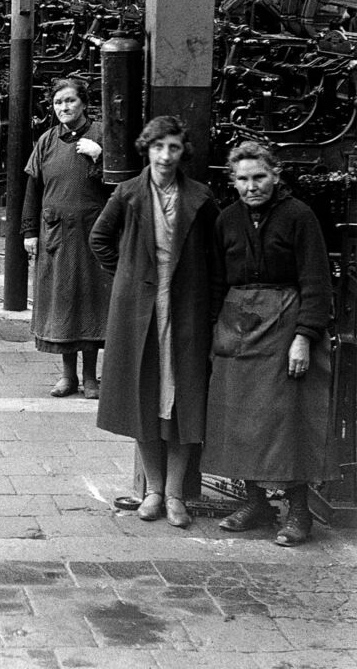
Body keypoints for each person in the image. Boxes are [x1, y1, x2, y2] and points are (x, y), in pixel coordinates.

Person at [202, 142, 338, 546]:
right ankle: (256, 502)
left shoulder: (299, 216)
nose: (251, 186)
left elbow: (316, 281)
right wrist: (213, 331)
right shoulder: (226, 220)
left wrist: (304, 338)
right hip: (236, 326)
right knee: (241, 418)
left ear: (276, 175)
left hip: (285, 325)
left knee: (284, 420)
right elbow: (214, 281)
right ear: (234, 182)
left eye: (259, 177)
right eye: (242, 179)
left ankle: (298, 513)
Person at [90, 115, 219, 529]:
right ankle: (154, 490)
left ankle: (178, 494)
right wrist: (128, 277)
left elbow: (216, 260)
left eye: (174, 148)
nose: (165, 156)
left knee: (182, 397)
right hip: (141, 310)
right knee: (145, 395)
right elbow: (100, 239)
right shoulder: (127, 194)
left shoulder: (201, 197)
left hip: (185, 311)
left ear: (183, 153)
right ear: (146, 148)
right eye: (158, 147)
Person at [22, 78, 112, 399]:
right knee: (62, 301)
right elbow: (32, 189)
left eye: (70, 101)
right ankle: (67, 376)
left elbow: (122, 183)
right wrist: (29, 231)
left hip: (92, 234)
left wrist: (100, 155)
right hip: (55, 234)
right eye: (59, 102)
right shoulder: (47, 141)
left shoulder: (102, 135)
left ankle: (91, 378)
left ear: (84, 103)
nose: (64, 108)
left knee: (89, 301)